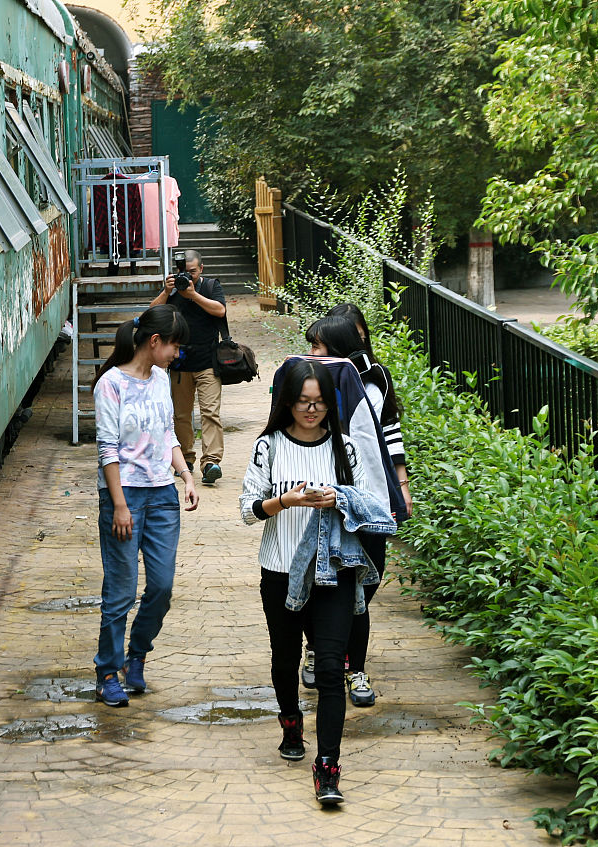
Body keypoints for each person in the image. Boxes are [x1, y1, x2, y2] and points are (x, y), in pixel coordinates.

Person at [240, 358, 391, 805]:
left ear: (331, 404)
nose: (311, 410)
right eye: (303, 402)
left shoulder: (345, 448)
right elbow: (247, 510)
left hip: (334, 572)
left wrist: (338, 499)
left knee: (329, 669)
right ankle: (290, 720)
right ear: (287, 402)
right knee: (285, 661)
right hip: (281, 570)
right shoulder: (268, 446)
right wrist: (285, 501)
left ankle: (328, 767)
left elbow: (368, 505)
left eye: (320, 403)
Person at [299, 311, 412, 708]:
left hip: (368, 496)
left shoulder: (374, 380)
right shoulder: (309, 382)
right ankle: (323, 650)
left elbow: (389, 434)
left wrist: (400, 487)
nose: (312, 353)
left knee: (364, 583)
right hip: (322, 498)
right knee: (323, 581)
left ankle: (347, 660)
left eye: (318, 346)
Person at [92, 305, 200, 707]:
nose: (177, 354)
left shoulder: (160, 378)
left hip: (162, 496)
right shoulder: (110, 384)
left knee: (162, 586)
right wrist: (119, 505)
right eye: (175, 346)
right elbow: (107, 449)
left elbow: (167, 432)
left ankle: (136, 655)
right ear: (155, 342)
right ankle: (107, 672)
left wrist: (186, 475)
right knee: (120, 592)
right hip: (125, 497)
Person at [149, 249, 228, 485]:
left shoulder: (211, 286)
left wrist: (193, 295)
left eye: (193, 272)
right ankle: (185, 458)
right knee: (181, 415)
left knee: (210, 412)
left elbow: (220, 310)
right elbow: (152, 314)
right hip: (180, 362)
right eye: (184, 271)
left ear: (201, 269)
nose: (188, 276)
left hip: (208, 362)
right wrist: (166, 292)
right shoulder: (173, 291)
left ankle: (211, 462)